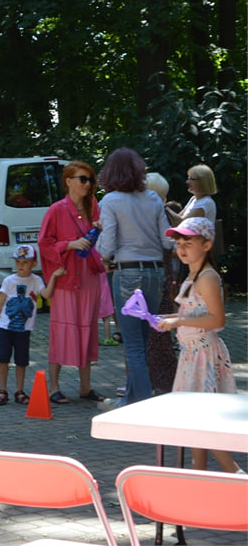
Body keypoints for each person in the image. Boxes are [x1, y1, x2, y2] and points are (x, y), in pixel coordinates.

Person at [157, 217, 244, 474]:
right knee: (194, 422)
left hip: (203, 354)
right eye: (179, 242)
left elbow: (217, 320)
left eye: (189, 242)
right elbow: (193, 313)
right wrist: (166, 319)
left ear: (207, 245)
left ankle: (236, 475)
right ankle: (200, 477)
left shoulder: (206, 277)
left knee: (200, 421)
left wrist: (178, 321)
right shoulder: (192, 275)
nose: (182, 248)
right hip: (191, 354)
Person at [97, 148, 172, 409]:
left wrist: (102, 253)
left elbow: (106, 247)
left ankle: (141, 407)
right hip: (155, 272)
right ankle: (129, 400)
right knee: (142, 342)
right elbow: (167, 240)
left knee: (133, 346)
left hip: (127, 273)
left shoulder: (111, 201)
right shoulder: (153, 198)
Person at [38, 160, 107, 405]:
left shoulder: (94, 207)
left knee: (87, 329)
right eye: (83, 179)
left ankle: (85, 387)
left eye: (90, 180)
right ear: (68, 181)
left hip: (88, 277)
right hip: (66, 279)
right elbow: (44, 243)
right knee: (61, 329)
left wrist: (99, 230)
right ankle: (53, 387)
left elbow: (103, 240)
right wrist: (69, 244)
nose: (88, 184)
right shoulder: (56, 210)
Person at [0, 245, 64, 406]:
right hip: (5, 327)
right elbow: (0, 302)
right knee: (2, 358)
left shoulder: (35, 281)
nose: (21, 266)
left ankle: (20, 390)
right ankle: (2, 390)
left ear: (33, 264)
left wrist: (54, 278)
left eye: (25, 262)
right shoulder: (9, 281)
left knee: (21, 360)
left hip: (24, 329)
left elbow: (46, 294)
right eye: (18, 262)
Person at [143, 172, 179, 394]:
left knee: (156, 335)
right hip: (161, 278)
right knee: (158, 336)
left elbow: (168, 245)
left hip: (157, 279)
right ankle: (162, 383)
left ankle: (160, 384)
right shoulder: (160, 214)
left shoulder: (156, 215)